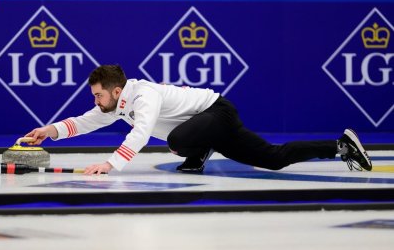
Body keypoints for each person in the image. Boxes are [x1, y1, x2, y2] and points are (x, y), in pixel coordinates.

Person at [25, 65, 373, 175]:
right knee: (274, 159)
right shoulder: (116, 103)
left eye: (98, 95)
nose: (95, 101)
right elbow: (85, 121)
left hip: (217, 112)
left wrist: (111, 164)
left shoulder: (144, 95)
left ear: (116, 91)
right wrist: (49, 131)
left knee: (175, 140)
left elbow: (143, 132)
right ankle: (341, 145)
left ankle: (199, 149)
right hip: (209, 123)